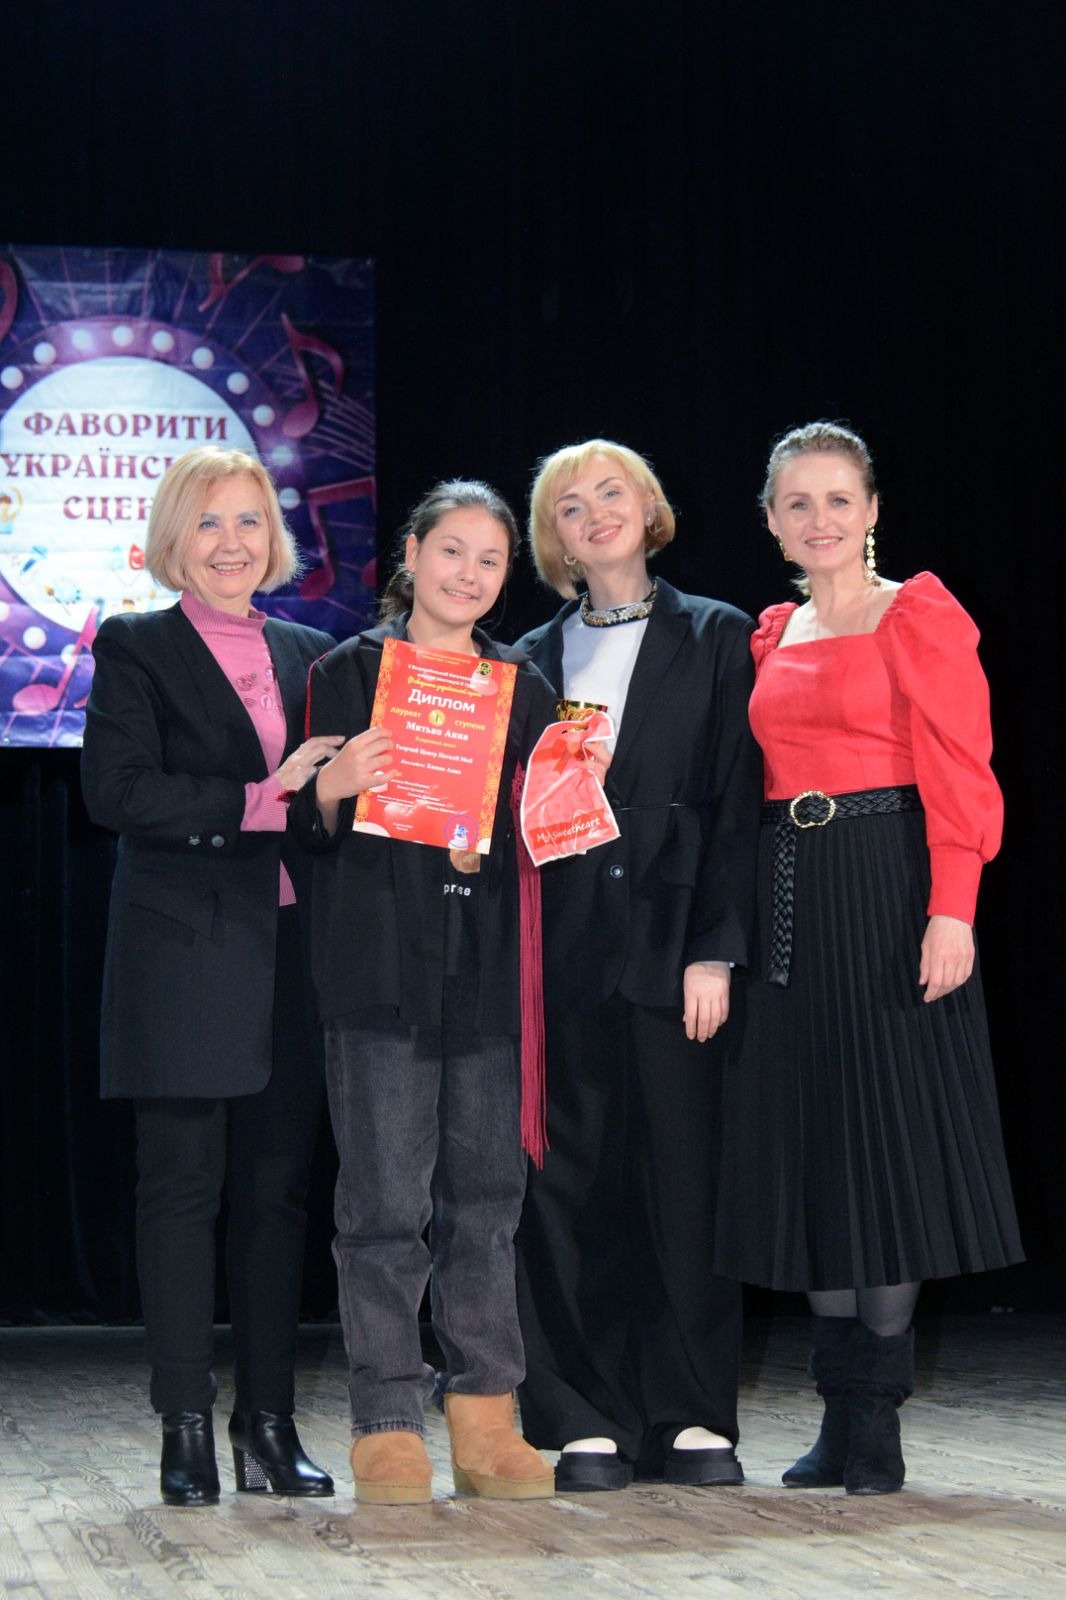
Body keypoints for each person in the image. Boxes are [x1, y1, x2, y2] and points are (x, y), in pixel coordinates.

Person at [715, 421, 1024, 1494]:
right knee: (812, 1149)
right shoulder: (770, 633)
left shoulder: (919, 614)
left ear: (872, 510)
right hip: (789, 895)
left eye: (838, 498)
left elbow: (962, 768)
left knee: (886, 1148)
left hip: (890, 886)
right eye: (797, 502)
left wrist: (953, 909)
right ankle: (837, 1414)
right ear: (771, 521)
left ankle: (877, 1421)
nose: (820, 519)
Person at [287, 480, 559, 1505]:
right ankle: (387, 1420)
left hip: (487, 971)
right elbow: (306, 832)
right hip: (378, 972)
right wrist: (329, 785)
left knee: (487, 1203)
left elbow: (546, 832)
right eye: (452, 551)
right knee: (383, 1209)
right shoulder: (345, 673)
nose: (468, 575)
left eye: (489, 561)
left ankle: (487, 1417)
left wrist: (577, 783)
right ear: (410, 553)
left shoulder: (523, 684)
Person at [81, 447, 340, 1507]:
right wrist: (261, 797)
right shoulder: (135, 645)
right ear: (172, 539)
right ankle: (184, 1424)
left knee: (278, 1197)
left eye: (249, 520)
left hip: (293, 958)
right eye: (208, 522)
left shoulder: (314, 653)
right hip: (181, 960)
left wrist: (346, 796)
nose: (232, 542)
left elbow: (333, 815)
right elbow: (118, 791)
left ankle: (267, 1427)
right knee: (182, 1194)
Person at [513, 439, 763, 1491]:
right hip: (560, 955)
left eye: (610, 492)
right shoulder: (524, 658)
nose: (594, 513)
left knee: (686, 1182)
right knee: (564, 1189)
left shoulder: (719, 635)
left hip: (675, 951)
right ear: (555, 541)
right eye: (569, 506)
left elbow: (739, 805)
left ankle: (691, 1410)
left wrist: (715, 947)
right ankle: (582, 1415)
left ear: (649, 507)